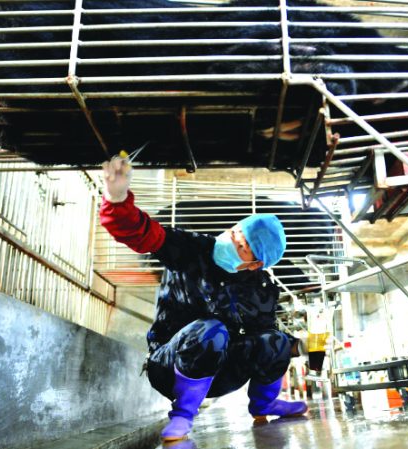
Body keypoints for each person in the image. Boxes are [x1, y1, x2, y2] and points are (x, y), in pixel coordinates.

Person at [99, 156, 308, 442]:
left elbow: (265, 340)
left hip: (222, 373)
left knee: (275, 339)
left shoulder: (260, 287)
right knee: (212, 329)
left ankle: (264, 404)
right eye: (235, 232)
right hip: (170, 366)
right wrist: (117, 198)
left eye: (243, 246)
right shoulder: (192, 249)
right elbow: (143, 234)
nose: (231, 240)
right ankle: (183, 415)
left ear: (256, 264)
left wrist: (300, 346)